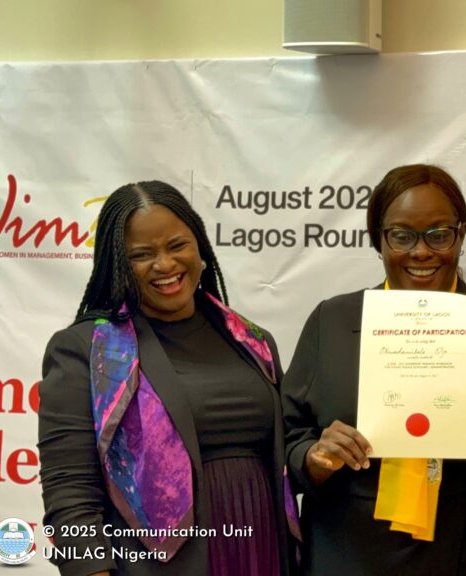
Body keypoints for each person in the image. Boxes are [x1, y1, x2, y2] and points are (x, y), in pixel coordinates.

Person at [282, 164, 466, 575]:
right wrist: (314, 457)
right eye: (402, 236)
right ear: (378, 239)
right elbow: (288, 439)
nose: (421, 251)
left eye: (439, 234)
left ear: (461, 235)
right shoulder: (334, 320)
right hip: (347, 550)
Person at [38, 181, 298, 576]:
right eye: (142, 254)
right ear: (118, 264)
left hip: (262, 548)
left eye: (177, 245)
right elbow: (70, 488)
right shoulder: (87, 350)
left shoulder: (253, 341)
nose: (164, 264)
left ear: (200, 248)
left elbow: (289, 451)